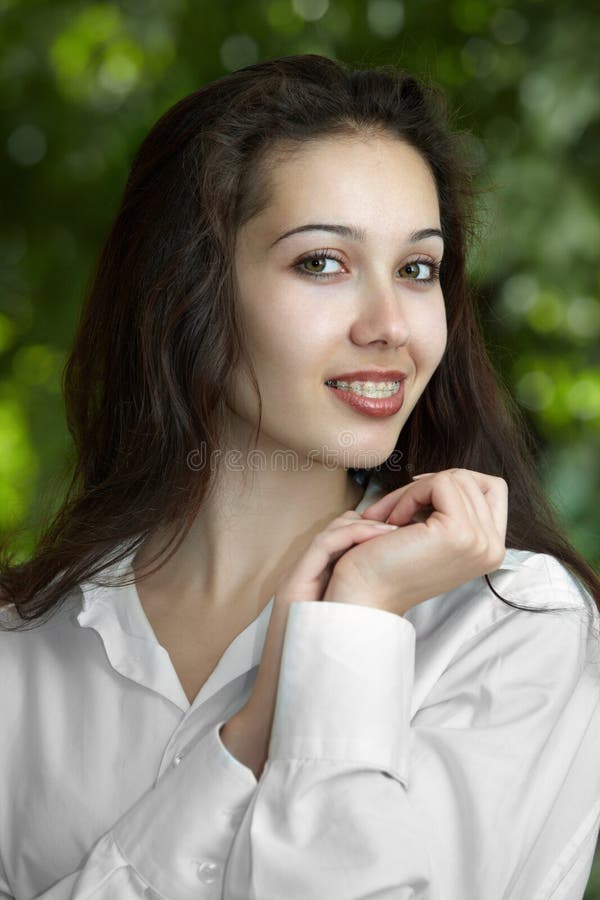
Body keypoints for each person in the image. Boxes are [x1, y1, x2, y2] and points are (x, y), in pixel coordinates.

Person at [1, 53, 599, 900]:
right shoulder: (25, 651)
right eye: (323, 262)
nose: (391, 325)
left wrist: (353, 631)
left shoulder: (512, 628)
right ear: (188, 290)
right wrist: (251, 737)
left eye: (418, 269)